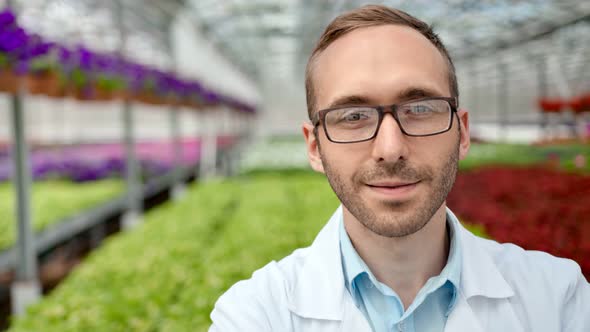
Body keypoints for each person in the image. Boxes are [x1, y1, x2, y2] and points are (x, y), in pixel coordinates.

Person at [210, 5, 590, 331]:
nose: (389, 149)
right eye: (353, 115)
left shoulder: (558, 299)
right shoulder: (256, 314)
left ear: (462, 133)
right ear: (314, 147)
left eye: (420, 109)